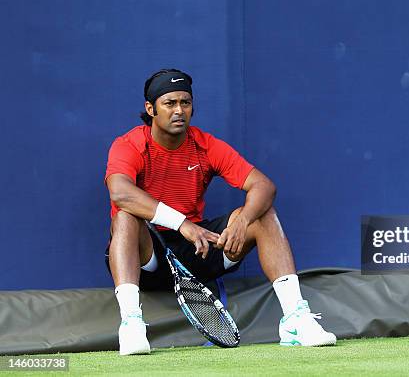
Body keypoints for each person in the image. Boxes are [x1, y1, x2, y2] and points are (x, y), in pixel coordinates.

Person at [104, 69, 336, 355]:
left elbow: (263, 185)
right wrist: (182, 224)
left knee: (262, 213)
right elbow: (121, 193)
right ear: (150, 109)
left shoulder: (205, 145)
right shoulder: (129, 145)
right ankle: (131, 324)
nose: (179, 111)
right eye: (170, 103)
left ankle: (295, 320)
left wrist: (243, 223)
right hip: (148, 255)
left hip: (197, 251)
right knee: (124, 216)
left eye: (185, 103)